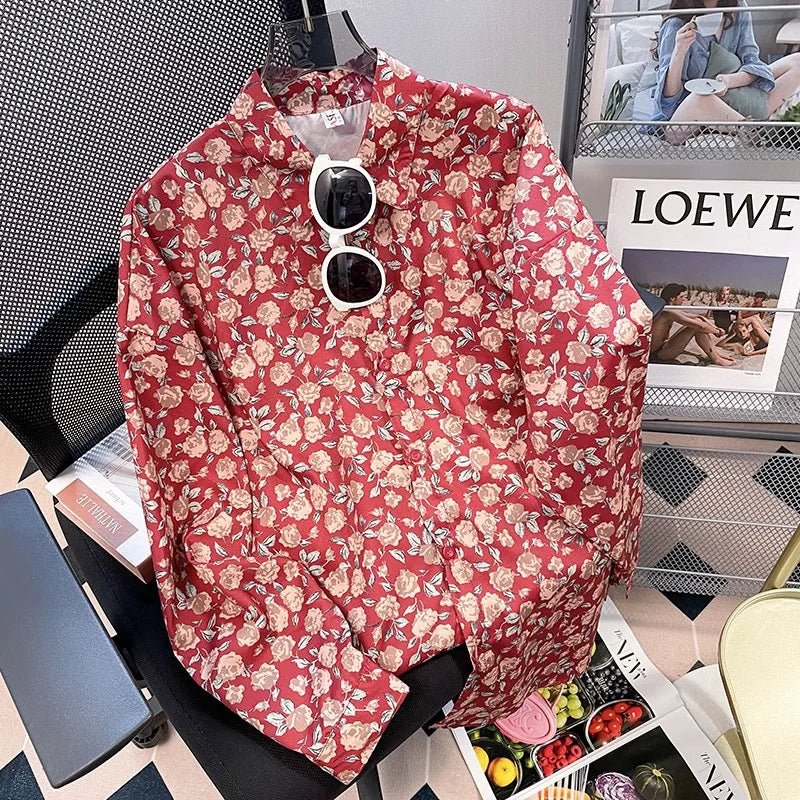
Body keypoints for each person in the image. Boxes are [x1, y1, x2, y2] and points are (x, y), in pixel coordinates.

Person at [653, 0, 800, 145]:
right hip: (685, 118)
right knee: (700, 99)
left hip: (731, 98)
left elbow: (752, 62)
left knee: (797, 61)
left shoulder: (738, 7)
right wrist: (680, 50)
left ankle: (750, 122)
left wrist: (729, 81)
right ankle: (755, 135)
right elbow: (668, 101)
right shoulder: (675, 25)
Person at [651, 283, 737, 366]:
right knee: (696, 327)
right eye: (681, 297)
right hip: (657, 354)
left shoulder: (669, 309)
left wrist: (715, 328)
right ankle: (715, 358)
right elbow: (700, 326)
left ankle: (716, 354)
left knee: (697, 321)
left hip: (662, 346)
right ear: (672, 298)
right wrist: (717, 331)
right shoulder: (667, 312)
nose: (683, 299)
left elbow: (698, 317)